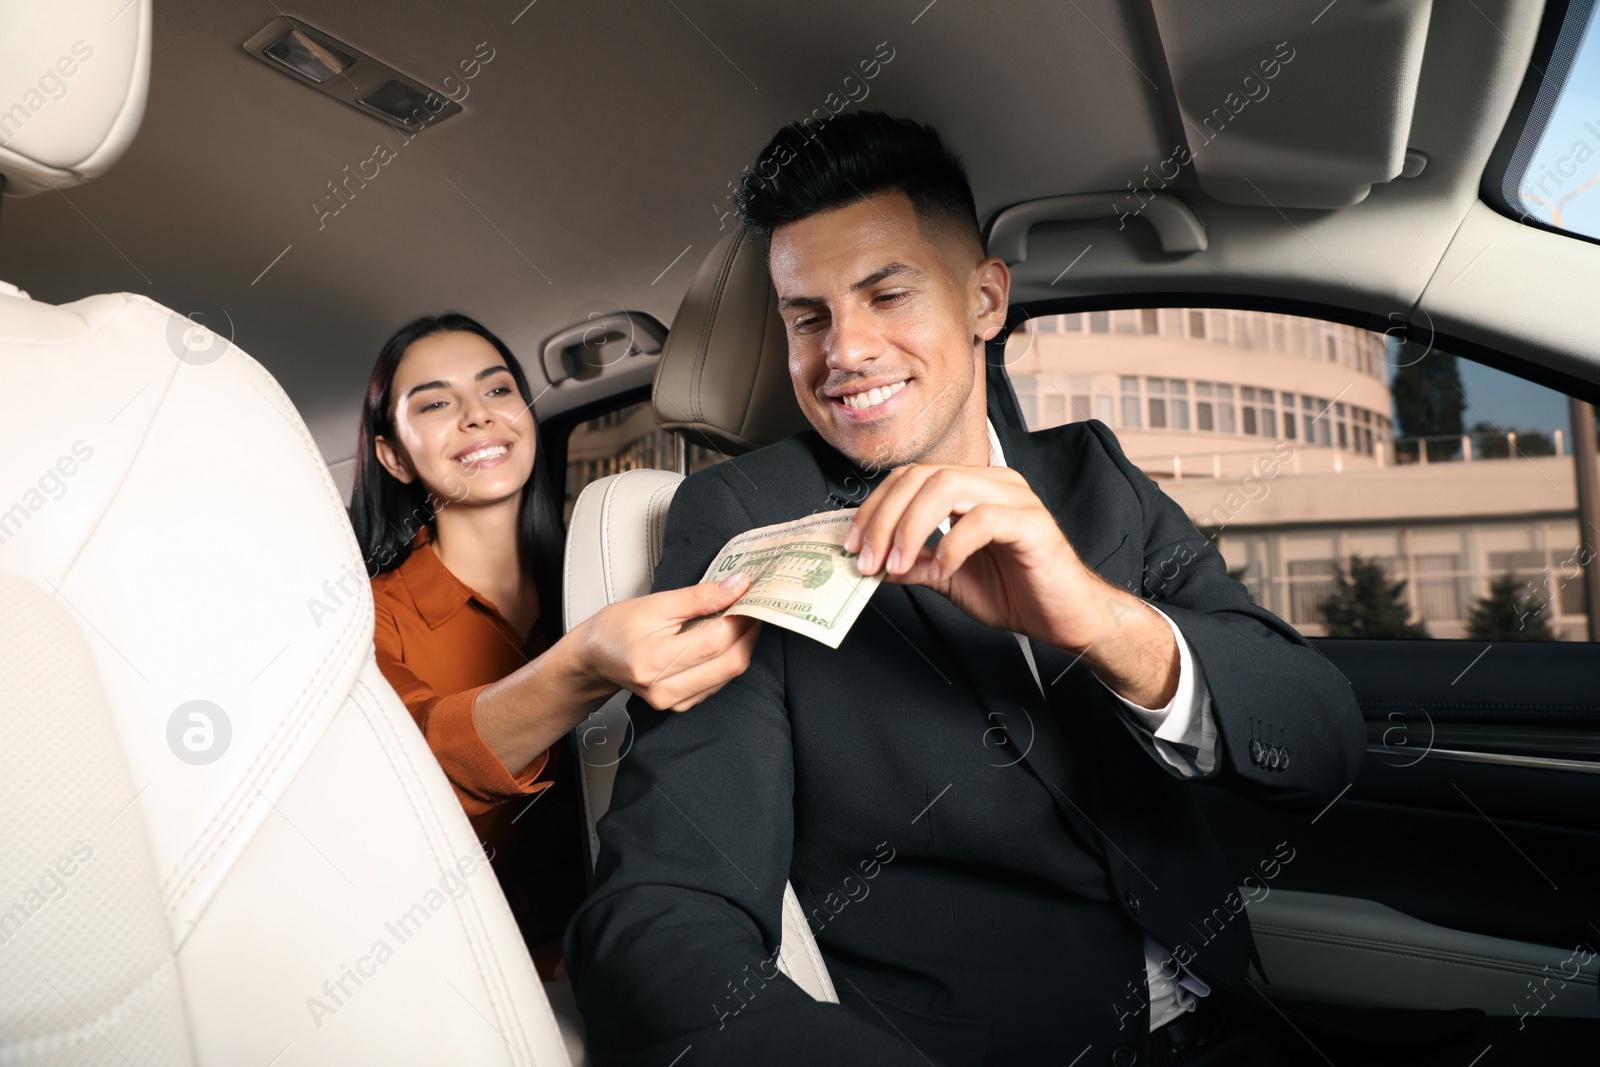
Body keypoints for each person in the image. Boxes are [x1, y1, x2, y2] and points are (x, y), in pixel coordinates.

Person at [563, 113, 1590, 1066]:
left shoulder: (1092, 477)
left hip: (1242, 1019)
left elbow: (1319, 731)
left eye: (887, 294)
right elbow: (656, 923)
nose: (844, 352)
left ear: (985, 299)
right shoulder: (745, 517)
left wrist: (1103, 622)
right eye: (805, 317)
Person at [349, 313, 761, 979]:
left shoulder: (609, 567)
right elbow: (413, 767)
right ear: (393, 455)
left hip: (660, 934)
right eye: (434, 402)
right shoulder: (368, 614)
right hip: (485, 974)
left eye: (497, 390)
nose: (477, 416)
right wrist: (587, 662)